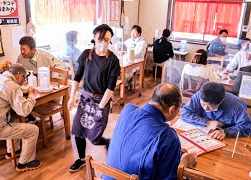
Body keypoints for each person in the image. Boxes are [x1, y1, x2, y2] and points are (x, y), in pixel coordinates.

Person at [105, 83, 196, 180]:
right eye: (179, 109)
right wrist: (182, 165)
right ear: (172, 109)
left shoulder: (127, 110)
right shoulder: (168, 136)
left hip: (107, 176)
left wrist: (171, 150)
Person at [67, 24, 121, 173]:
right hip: (85, 99)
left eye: (107, 40)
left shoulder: (113, 60)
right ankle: (82, 160)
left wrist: (101, 107)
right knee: (78, 131)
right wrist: (71, 97)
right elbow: (77, 77)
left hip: (100, 101)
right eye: (101, 39)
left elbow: (111, 87)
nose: (104, 43)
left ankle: (107, 142)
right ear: (94, 38)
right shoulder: (86, 55)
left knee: (94, 136)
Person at [0, 64, 42, 172]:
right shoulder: (12, 87)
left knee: (13, 118)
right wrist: (31, 95)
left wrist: (22, 90)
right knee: (33, 130)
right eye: (24, 78)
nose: (24, 81)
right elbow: (24, 111)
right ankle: (24, 163)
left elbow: (7, 90)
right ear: (19, 75)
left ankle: (13, 151)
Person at [174, 82, 251, 140]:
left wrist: (226, 132)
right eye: (203, 104)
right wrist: (207, 122)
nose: (206, 108)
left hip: (227, 139)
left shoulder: (236, 105)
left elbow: (247, 127)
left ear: (221, 101)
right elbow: (185, 113)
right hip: (203, 136)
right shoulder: (200, 95)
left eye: (211, 106)